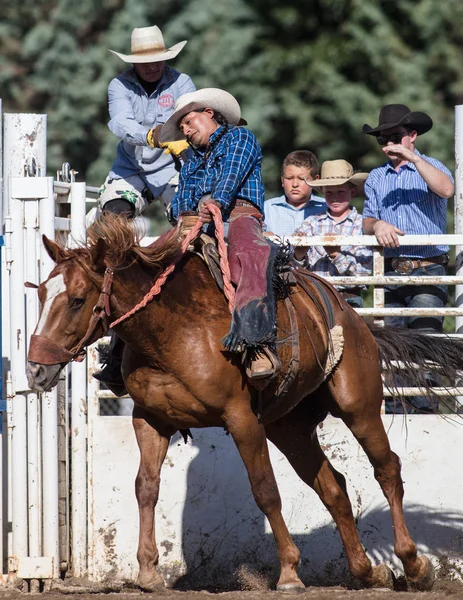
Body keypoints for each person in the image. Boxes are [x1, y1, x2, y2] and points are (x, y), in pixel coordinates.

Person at [158, 87, 281, 384]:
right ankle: (122, 351)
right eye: (182, 127)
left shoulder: (239, 137)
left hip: (238, 212)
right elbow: (182, 199)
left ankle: (257, 344)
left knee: (249, 252)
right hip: (196, 221)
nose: (185, 131)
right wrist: (184, 216)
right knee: (150, 258)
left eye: (188, 122)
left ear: (209, 113)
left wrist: (213, 203)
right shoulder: (190, 158)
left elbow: (230, 177)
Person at [362, 103, 454, 412]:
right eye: (382, 139)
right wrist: (378, 224)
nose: (388, 144)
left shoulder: (432, 165)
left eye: (395, 136)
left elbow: (446, 190)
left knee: (426, 343)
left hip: (427, 270)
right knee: (391, 347)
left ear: (412, 135)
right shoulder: (376, 177)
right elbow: (366, 221)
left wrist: (413, 158)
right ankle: (395, 411)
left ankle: (426, 413)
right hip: (389, 270)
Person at [98, 25, 196, 219]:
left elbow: (193, 119)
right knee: (114, 217)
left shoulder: (182, 82)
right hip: (131, 169)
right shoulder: (119, 86)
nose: (152, 66)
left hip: (176, 170)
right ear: (133, 63)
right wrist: (152, 137)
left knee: (190, 220)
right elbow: (121, 122)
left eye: (157, 61)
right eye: (145, 62)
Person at [292, 160, 372, 308]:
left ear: (352, 192)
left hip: (348, 297)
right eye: (329, 192)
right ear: (323, 193)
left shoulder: (361, 224)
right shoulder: (311, 222)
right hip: (313, 295)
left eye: (340, 192)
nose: (334, 197)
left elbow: (363, 274)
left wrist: (336, 255)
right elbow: (293, 265)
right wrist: (299, 254)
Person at [264, 150, 325, 238]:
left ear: (315, 180)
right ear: (282, 180)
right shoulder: (267, 209)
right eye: (289, 178)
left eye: (301, 179)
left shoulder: (325, 208)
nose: (295, 184)